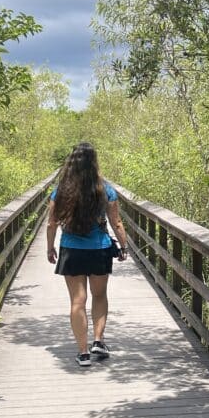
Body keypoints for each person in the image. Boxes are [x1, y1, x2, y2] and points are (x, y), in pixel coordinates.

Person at [46, 142, 128, 367]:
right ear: (94, 162)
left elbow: (52, 223)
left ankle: (83, 353)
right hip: (99, 249)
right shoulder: (105, 189)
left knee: (77, 301)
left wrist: (50, 247)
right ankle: (98, 341)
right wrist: (123, 246)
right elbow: (116, 222)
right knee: (99, 295)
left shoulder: (61, 190)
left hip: (71, 251)